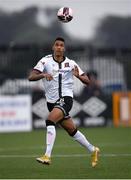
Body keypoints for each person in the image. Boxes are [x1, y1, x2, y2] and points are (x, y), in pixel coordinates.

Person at [28, 37, 100, 167]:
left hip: (66, 99)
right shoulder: (45, 61)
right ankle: (93, 149)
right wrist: (43, 75)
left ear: (64, 48)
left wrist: (78, 76)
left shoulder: (71, 63)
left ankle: (47, 156)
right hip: (51, 103)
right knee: (72, 130)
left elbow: (87, 81)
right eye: (57, 45)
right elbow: (31, 77)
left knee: (50, 120)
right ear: (53, 47)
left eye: (62, 45)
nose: (59, 47)